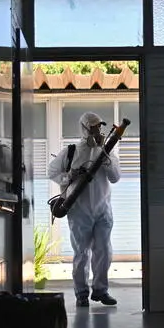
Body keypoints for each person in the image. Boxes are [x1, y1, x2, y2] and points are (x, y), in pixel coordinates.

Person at [48, 111, 121, 307]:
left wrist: (105, 158)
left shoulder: (107, 151)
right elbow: (52, 171)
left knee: (104, 251)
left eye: (99, 127)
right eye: (93, 127)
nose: (97, 131)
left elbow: (115, 177)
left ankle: (100, 290)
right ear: (84, 129)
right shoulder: (71, 152)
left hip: (103, 209)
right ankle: (81, 293)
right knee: (81, 252)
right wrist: (70, 176)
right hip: (79, 211)